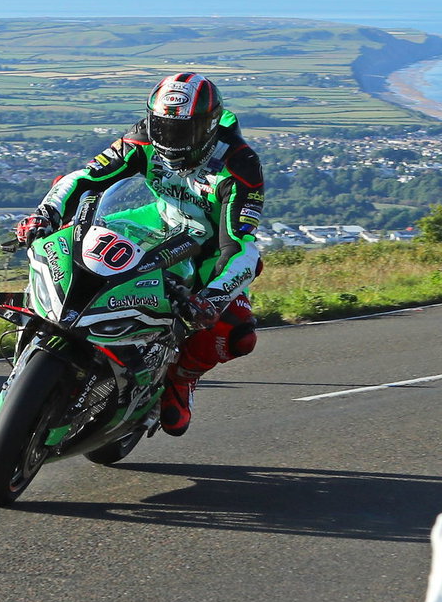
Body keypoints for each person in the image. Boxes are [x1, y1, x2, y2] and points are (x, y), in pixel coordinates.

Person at [15, 72, 265, 436]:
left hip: (205, 247)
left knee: (238, 333)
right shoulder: (144, 136)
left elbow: (240, 244)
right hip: (152, 220)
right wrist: (45, 213)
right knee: (70, 244)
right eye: (162, 127)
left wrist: (213, 296)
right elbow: (85, 177)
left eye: (182, 131)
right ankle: (44, 318)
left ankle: (181, 378)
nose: (168, 140)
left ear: (208, 127)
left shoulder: (240, 166)